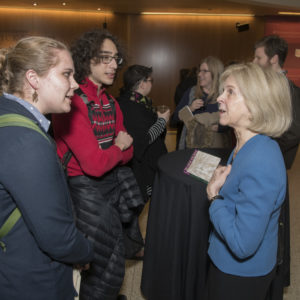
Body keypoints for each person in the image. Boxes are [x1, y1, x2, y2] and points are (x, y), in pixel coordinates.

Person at [0, 36, 93, 300]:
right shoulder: (27, 141)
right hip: (30, 279)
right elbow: (57, 238)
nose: (75, 85)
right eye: (67, 74)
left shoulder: (7, 115)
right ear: (33, 79)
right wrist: (85, 251)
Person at [52, 29, 142, 300]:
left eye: (115, 58)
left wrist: (114, 151)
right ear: (86, 60)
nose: (114, 65)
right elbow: (94, 164)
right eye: (105, 58)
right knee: (96, 269)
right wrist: (118, 147)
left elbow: (129, 152)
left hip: (109, 191)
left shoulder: (111, 102)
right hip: (83, 197)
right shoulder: (73, 101)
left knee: (110, 267)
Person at [206, 63, 292, 300]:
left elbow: (243, 245)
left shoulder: (261, 160)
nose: (220, 98)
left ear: (255, 106)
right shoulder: (246, 143)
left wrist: (214, 196)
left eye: (230, 92)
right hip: (231, 265)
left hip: (239, 275)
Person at [253, 35, 300, 300]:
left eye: (258, 57)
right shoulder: (266, 86)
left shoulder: (288, 89)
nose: (254, 62)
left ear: (272, 59)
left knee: (275, 229)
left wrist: (262, 140)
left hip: (272, 169)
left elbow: (293, 132)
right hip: (258, 166)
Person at [117, 64, 169, 201]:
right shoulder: (132, 107)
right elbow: (144, 139)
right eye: (150, 80)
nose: (152, 84)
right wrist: (162, 121)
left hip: (145, 166)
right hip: (143, 170)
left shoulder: (133, 101)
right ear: (142, 83)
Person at [172, 56, 231, 150]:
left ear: (215, 73)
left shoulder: (224, 95)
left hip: (215, 149)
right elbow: (175, 118)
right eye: (199, 71)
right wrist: (190, 108)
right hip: (190, 148)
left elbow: (233, 120)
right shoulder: (191, 92)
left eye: (204, 71)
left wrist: (220, 128)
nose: (199, 74)